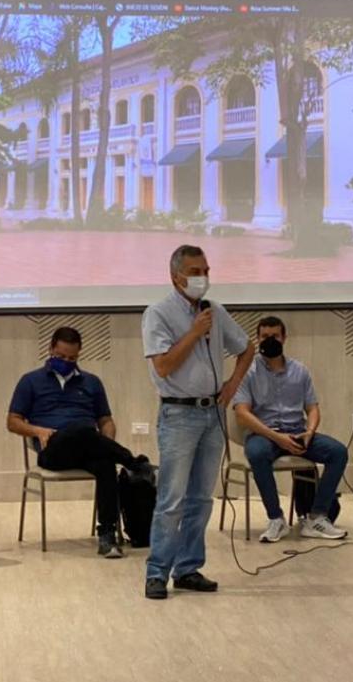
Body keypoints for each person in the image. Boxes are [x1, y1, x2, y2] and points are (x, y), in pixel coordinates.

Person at [141, 245, 253, 600]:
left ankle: (188, 568)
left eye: (205, 270)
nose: (202, 277)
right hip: (178, 414)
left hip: (212, 413)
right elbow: (163, 366)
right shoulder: (158, 313)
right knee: (171, 499)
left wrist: (232, 385)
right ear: (175, 276)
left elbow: (246, 348)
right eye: (194, 271)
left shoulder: (214, 310)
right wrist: (193, 332)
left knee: (201, 498)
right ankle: (157, 572)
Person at [7, 326, 152, 558]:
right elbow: (13, 422)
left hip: (87, 449)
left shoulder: (91, 382)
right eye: (61, 356)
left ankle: (107, 534)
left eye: (72, 359)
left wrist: (105, 442)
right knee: (80, 430)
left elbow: (106, 421)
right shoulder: (31, 381)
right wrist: (37, 430)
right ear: (50, 349)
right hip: (53, 449)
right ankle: (134, 463)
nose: (66, 362)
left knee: (105, 463)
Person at [232, 316, 348, 543]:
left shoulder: (300, 371)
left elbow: (312, 408)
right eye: (265, 336)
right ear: (257, 339)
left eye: (275, 336)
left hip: (297, 432)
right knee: (256, 453)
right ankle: (276, 519)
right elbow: (242, 413)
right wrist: (277, 437)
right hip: (265, 434)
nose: (270, 340)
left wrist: (310, 432)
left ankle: (316, 517)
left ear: (284, 338)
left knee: (338, 452)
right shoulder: (247, 371)